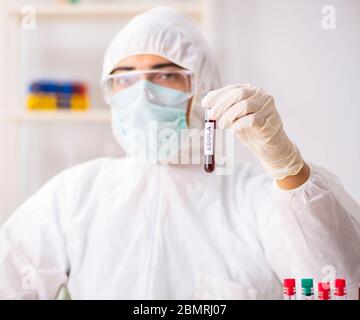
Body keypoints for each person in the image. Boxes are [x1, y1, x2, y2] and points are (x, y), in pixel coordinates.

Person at [0, 7, 359, 300]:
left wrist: (287, 167)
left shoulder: (252, 197)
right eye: (124, 78)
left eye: (166, 76)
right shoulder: (75, 194)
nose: (141, 95)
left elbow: (338, 280)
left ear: (204, 86)